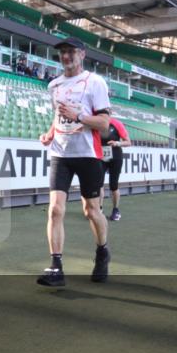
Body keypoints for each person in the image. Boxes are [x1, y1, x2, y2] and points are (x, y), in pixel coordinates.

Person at [37, 37, 112, 288]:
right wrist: (50, 133)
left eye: (70, 52)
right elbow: (58, 116)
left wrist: (78, 116)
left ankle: (102, 251)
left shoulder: (95, 82)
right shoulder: (54, 85)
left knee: (91, 211)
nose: (66, 56)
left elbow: (104, 124)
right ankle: (56, 267)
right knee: (55, 210)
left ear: (82, 54)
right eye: (62, 52)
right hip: (61, 154)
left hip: (88, 155)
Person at [101, 115, 131, 221]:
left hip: (115, 157)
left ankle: (116, 210)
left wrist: (117, 143)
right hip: (101, 157)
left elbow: (128, 142)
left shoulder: (116, 123)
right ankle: (99, 209)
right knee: (98, 184)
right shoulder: (97, 123)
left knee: (113, 185)